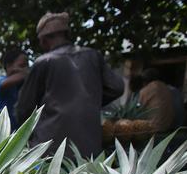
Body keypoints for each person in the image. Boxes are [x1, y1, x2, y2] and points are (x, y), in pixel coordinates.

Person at [15, 12, 123, 158]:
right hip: (89, 147)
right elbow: (117, 87)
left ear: (44, 39)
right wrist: (90, 100)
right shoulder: (92, 56)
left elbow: (24, 108)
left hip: (49, 149)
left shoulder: (44, 62)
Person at [0, 48, 28, 128]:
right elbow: (3, 84)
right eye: (22, 65)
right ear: (9, 66)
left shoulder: (20, 85)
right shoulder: (1, 81)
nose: (25, 69)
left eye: (26, 65)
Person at [137, 68, 180, 133]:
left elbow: (138, 108)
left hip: (152, 128)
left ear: (145, 80)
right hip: (168, 127)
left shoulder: (146, 90)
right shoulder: (167, 89)